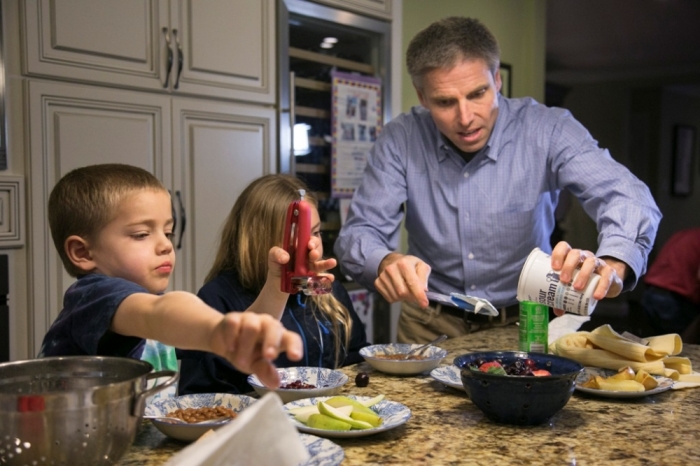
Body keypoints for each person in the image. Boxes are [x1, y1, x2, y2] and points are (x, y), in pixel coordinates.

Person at [334, 17, 661, 344]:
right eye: (445, 102)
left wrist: (613, 264)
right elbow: (357, 235)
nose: (465, 118)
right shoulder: (400, 139)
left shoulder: (548, 129)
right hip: (428, 323)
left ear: (497, 80)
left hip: (526, 320)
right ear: (421, 96)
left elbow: (629, 197)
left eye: (478, 93)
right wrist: (385, 261)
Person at [39, 164, 316, 390]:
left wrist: (279, 285)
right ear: (82, 252)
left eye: (167, 232)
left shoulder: (149, 304)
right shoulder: (93, 297)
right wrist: (216, 328)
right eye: (141, 234)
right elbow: (157, 314)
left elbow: (241, 329)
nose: (166, 245)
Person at [177, 174, 369, 395]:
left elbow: (356, 361)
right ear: (259, 241)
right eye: (300, 235)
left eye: (316, 232)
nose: (313, 244)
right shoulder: (216, 299)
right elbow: (201, 393)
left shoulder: (328, 293)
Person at [641, 228, 700, 341]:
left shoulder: (686, 234)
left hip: (651, 293)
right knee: (678, 347)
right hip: (674, 301)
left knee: (657, 343)